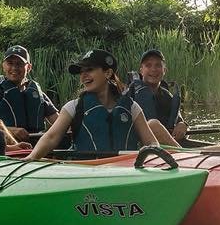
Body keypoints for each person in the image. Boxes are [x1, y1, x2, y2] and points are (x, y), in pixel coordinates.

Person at [26, 49, 159, 160]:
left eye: (89, 70)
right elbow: (50, 138)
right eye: (81, 72)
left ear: (108, 73)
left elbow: (152, 143)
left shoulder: (132, 107)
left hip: (125, 174)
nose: (84, 76)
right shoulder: (73, 107)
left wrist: (150, 159)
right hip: (88, 176)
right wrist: (30, 159)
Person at [0, 45, 59, 143]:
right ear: (3, 66)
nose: (14, 68)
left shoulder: (39, 95)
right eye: (10, 63)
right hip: (6, 147)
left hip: (36, 146)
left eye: (19, 64)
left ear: (29, 67)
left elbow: (59, 123)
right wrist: (10, 131)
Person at [127, 48, 188, 146]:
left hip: (163, 146)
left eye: (158, 65)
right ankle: (184, 154)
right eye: (148, 65)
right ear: (141, 70)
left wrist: (183, 125)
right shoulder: (130, 93)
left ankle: (182, 153)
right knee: (153, 124)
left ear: (164, 70)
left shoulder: (167, 96)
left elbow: (178, 119)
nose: (153, 69)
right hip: (138, 146)